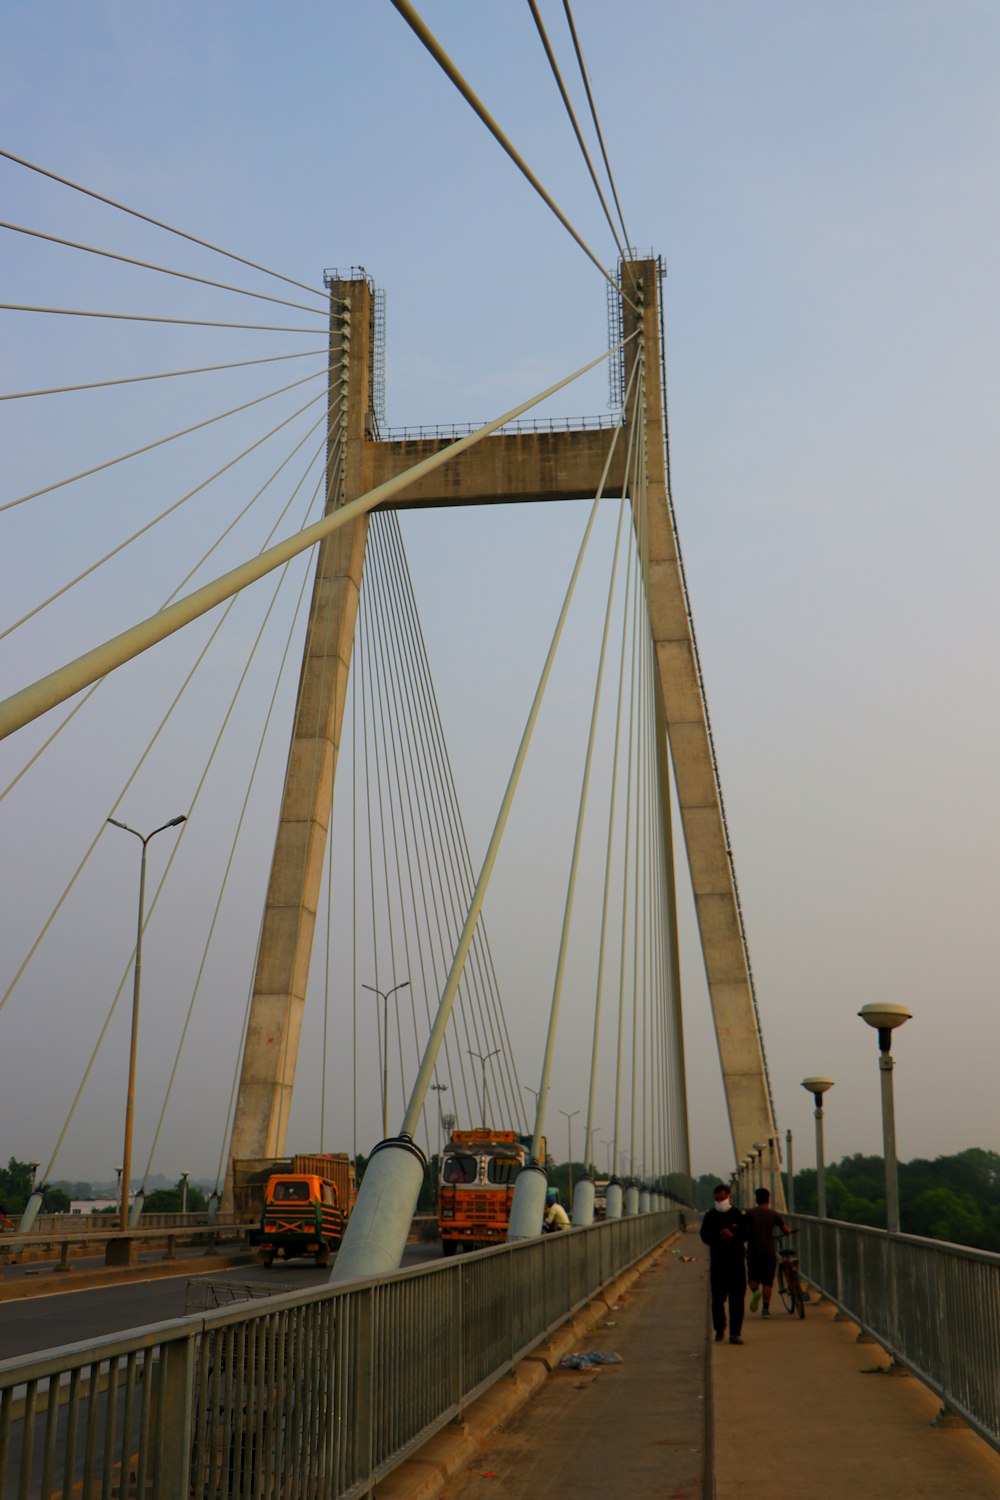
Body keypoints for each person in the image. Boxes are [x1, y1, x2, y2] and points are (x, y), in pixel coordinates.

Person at [699, 1183, 749, 1343]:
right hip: (719, 1264)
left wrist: (732, 1236)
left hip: (736, 1264)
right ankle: (719, 1328)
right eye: (717, 1199)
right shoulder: (710, 1216)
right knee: (718, 1300)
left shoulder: (738, 1215)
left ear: (730, 1197)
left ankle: (735, 1333)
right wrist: (718, 1237)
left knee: (737, 1299)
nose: (720, 1201)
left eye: (723, 1198)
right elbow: (704, 1236)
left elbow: (747, 1234)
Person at [746, 1187, 790, 1317]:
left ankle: (755, 1292)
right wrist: (788, 1231)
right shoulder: (773, 1214)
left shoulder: (750, 1213)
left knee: (752, 1277)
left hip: (753, 1251)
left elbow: (744, 1231)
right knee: (767, 1282)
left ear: (756, 1199)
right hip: (769, 1252)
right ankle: (765, 1310)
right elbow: (786, 1230)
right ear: (768, 1199)